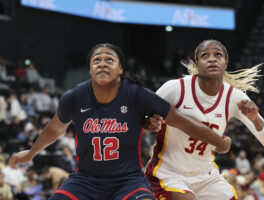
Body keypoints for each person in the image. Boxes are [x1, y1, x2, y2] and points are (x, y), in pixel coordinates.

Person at [9, 43, 231, 200]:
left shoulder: (136, 94)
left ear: (120, 68)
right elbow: (54, 129)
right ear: (89, 69)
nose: (102, 64)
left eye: (109, 59)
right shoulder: (74, 97)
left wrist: (218, 142)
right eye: (96, 60)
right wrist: (30, 153)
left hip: (128, 181)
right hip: (85, 180)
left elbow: (182, 121)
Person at [144, 39, 264, 200]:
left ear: (226, 63)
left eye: (218, 55)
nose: (212, 58)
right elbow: (143, 116)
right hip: (168, 172)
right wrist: (148, 120)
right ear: (197, 63)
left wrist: (255, 119)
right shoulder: (175, 88)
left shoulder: (234, 97)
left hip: (205, 176)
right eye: (205, 55)